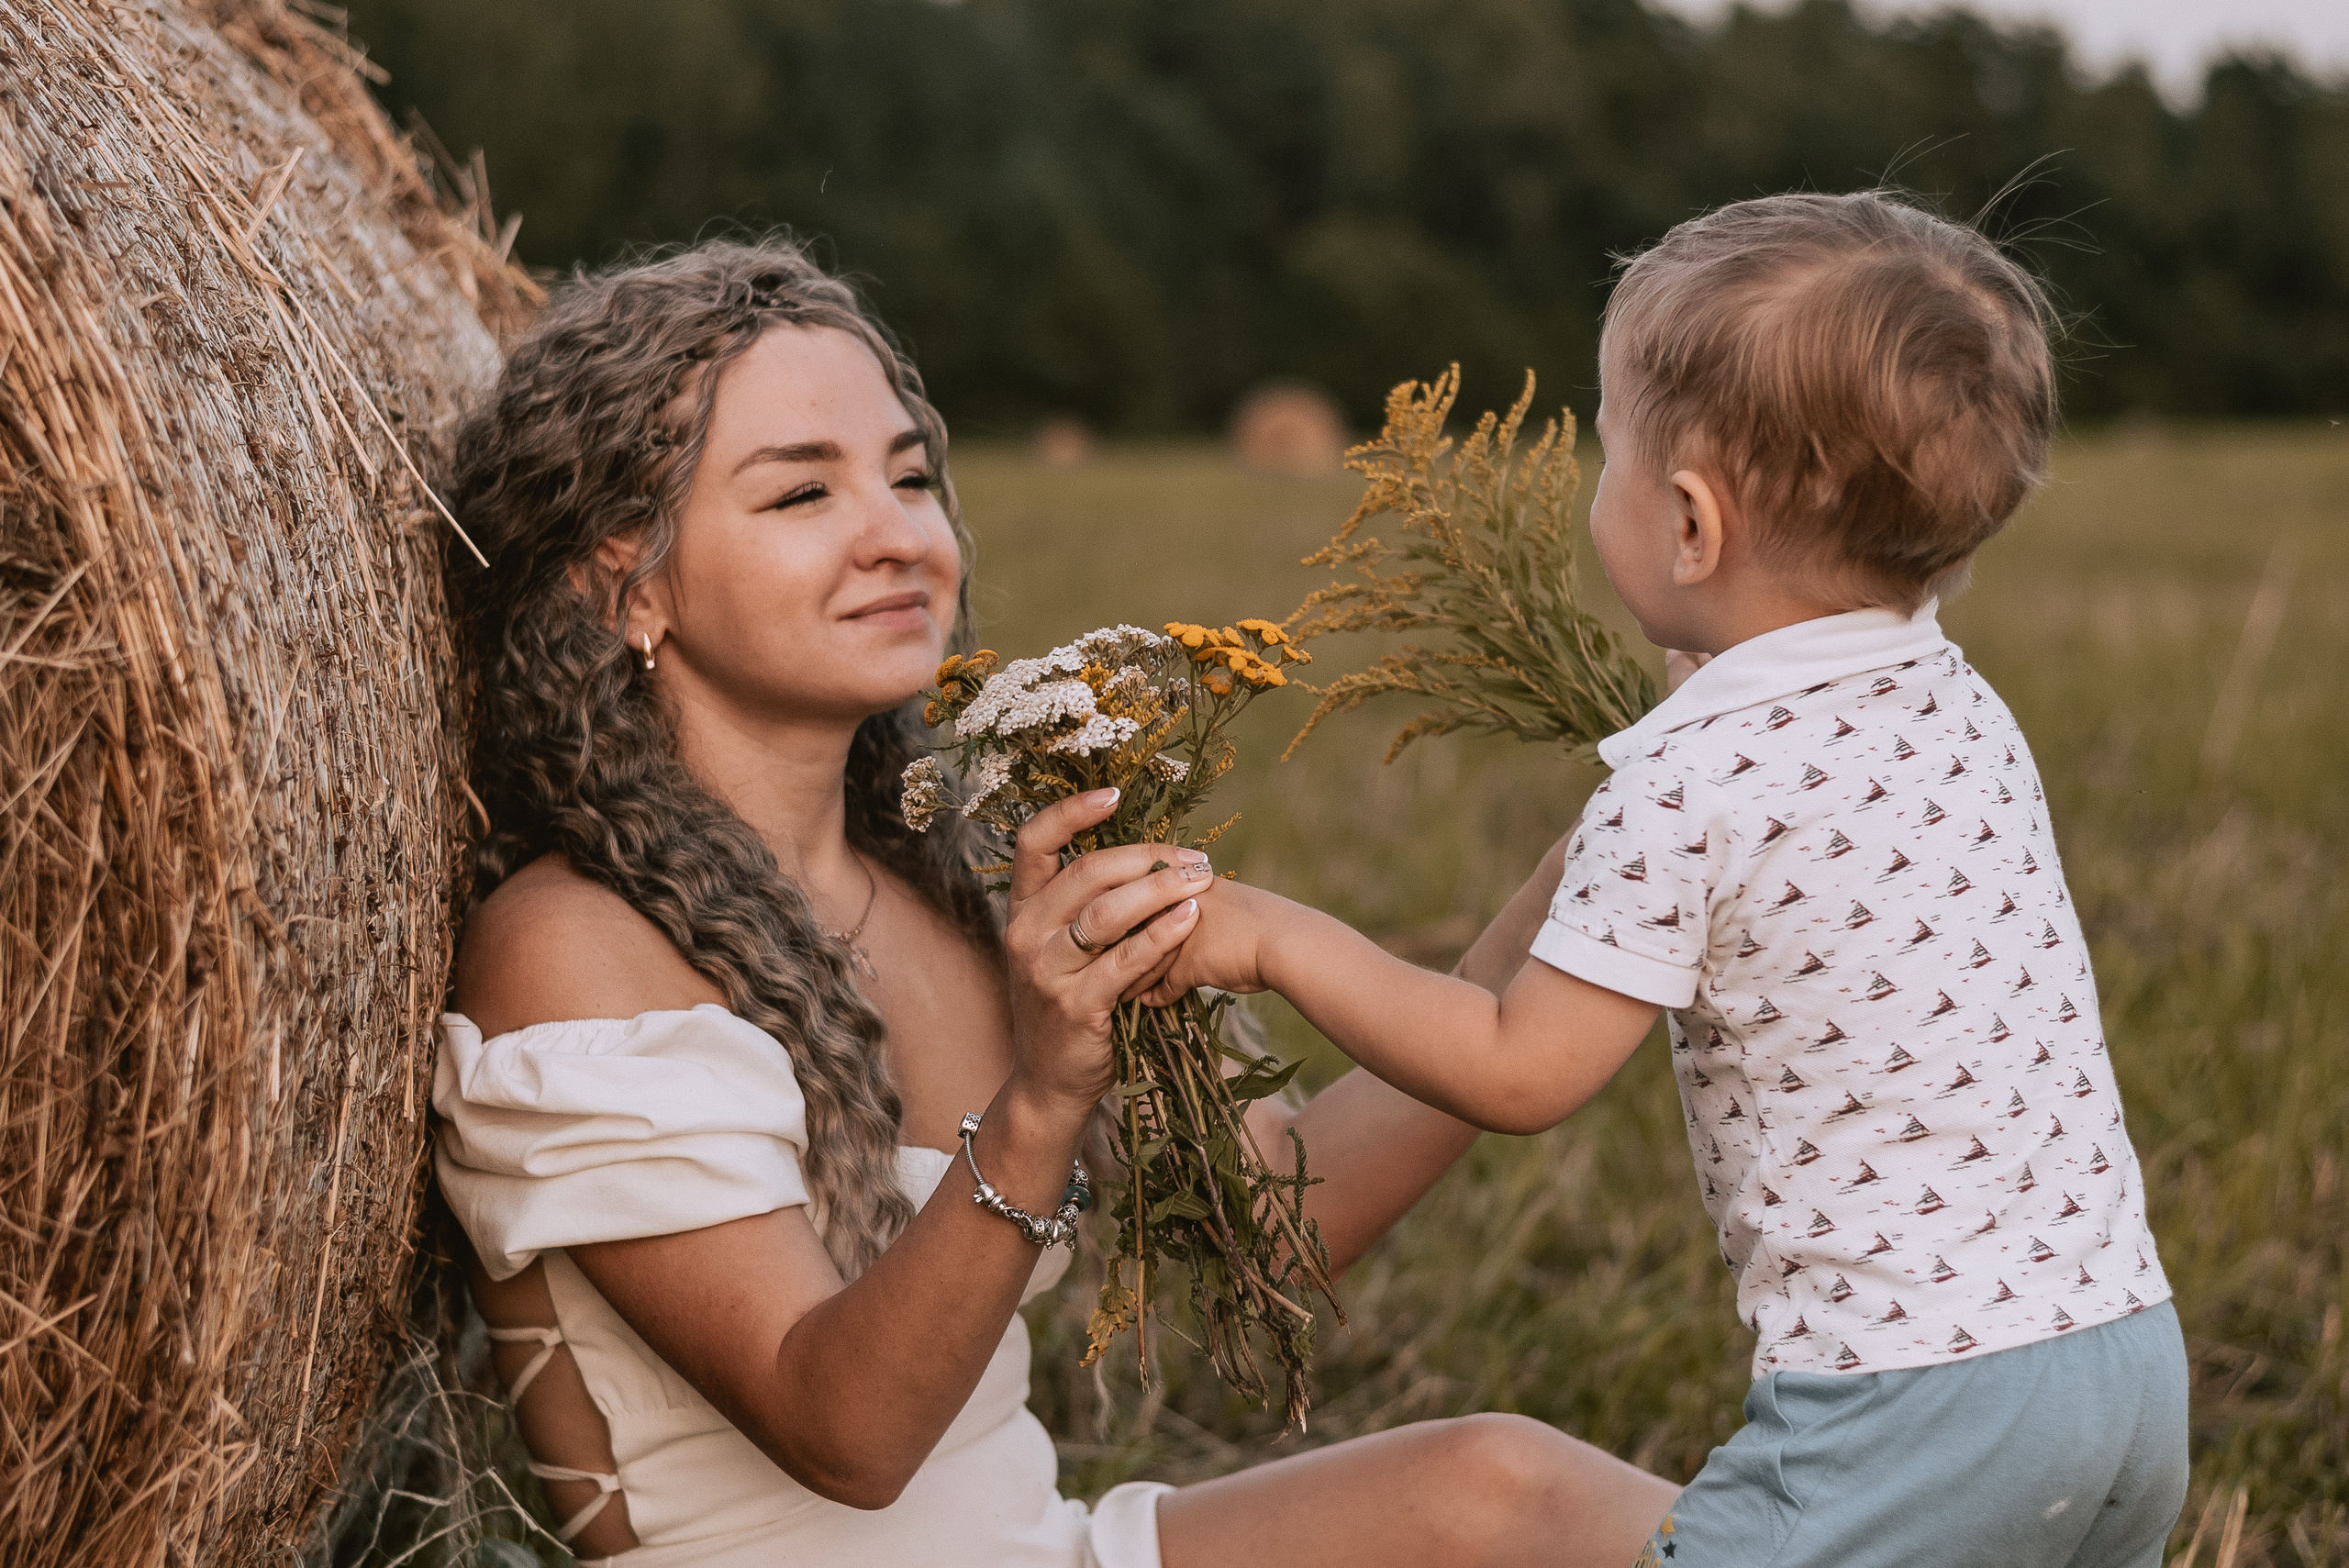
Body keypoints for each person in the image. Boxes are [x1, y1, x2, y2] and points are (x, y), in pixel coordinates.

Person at [429, 237, 1675, 1568]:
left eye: (910, 475)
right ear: (623, 584)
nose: (900, 533)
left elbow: (1285, 1216)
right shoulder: (574, 951)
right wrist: (1040, 1105)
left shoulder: (955, 884)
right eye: (801, 496)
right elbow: (840, 1429)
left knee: (1499, 1484)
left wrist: (1617, 853)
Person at [1147, 192, 2188, 1568]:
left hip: (1908, 1416)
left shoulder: (1689, 778)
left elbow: (1521, 1068)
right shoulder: (1956, 700)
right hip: (2124, 1369)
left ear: (1691, 523)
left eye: (1608, 453)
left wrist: (1272, 935)